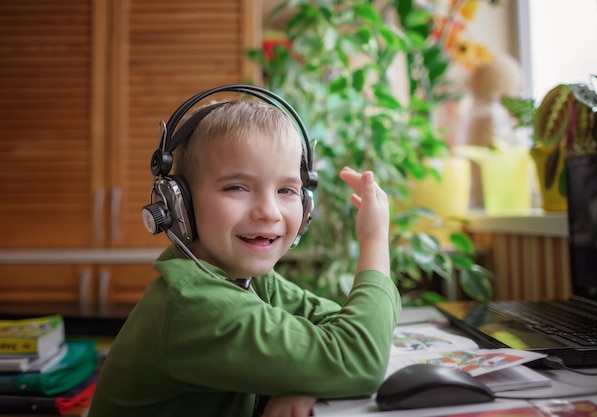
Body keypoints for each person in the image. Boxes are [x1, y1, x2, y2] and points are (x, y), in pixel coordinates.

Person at [88, 95, 401, 417]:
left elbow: (341, 327)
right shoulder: (193, 303)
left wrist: (302, 382)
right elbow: (360, 358)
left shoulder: (246, 279)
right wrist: (374, 237)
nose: (269, 212)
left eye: (287, 190)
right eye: (236, 187)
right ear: (178, 203)